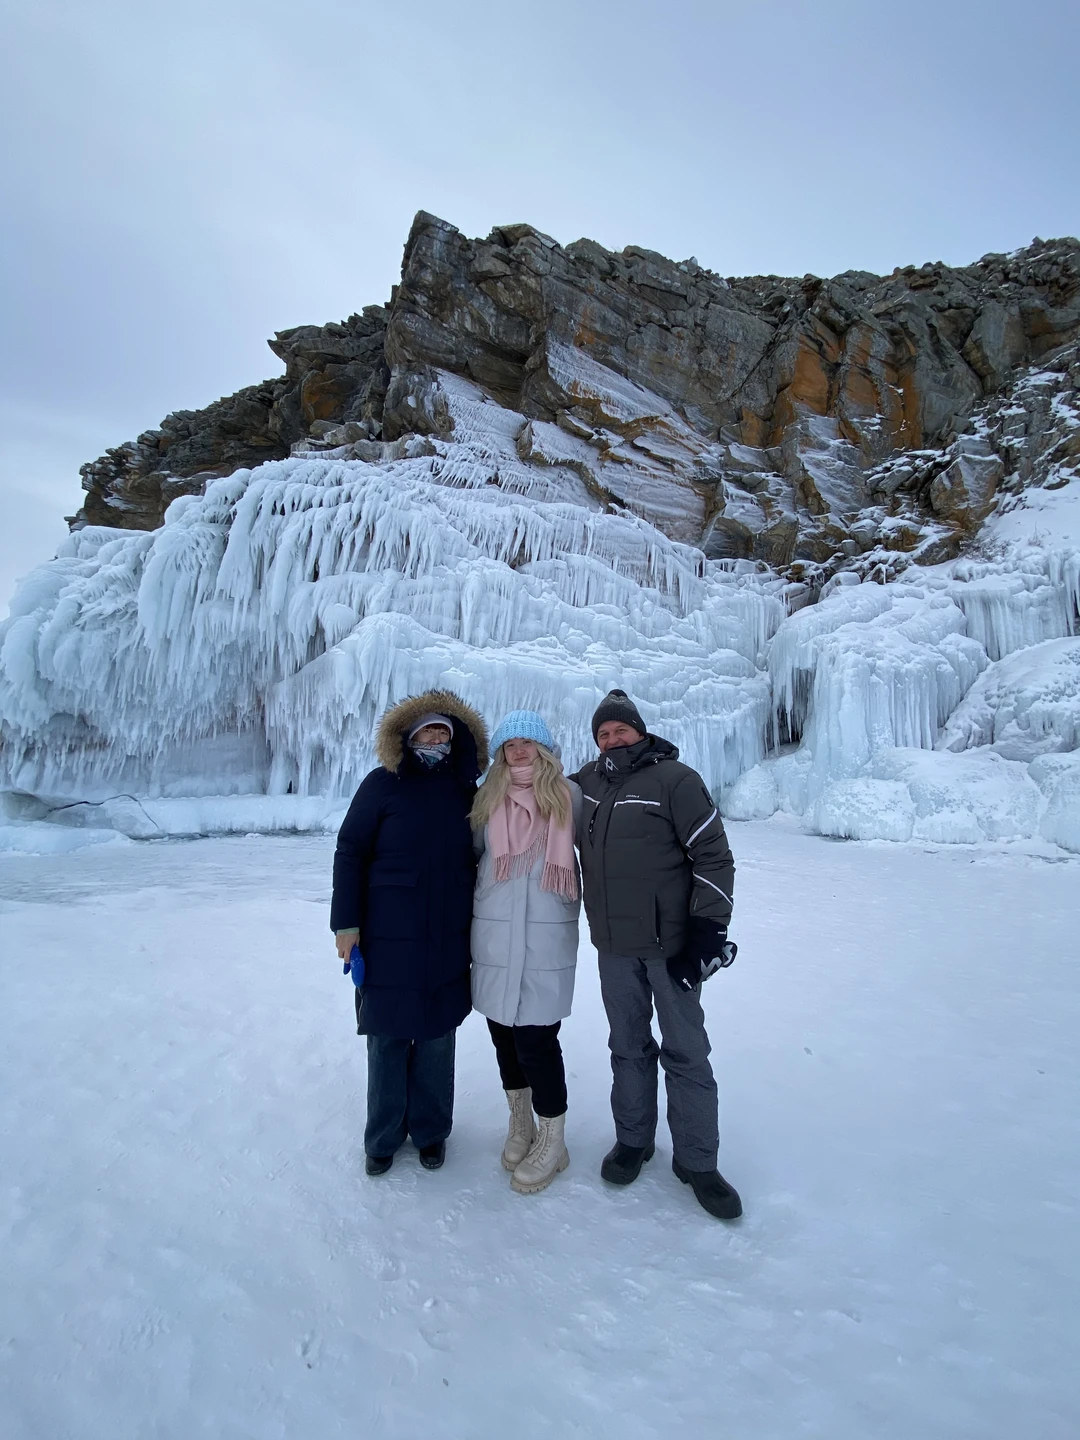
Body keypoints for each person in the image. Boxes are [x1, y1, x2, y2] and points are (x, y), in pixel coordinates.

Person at [571, 689, 743, 1220]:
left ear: (640, 731)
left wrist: (708, 933)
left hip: (671, 949)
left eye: (620, 730)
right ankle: (634, 1140)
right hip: (613, 946)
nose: (612, 738)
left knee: (686, 1051)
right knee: (627, 1046)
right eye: (603, 733)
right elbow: (530, 795)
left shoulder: (676, 780)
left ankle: (698, 1161)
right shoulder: (586, 784)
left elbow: (714, 855)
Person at [331, 690, 488, 1176]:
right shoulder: (382, 784)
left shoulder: (469, 791)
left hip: (448, 933)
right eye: (427, 731)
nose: (436, 738)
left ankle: (431, 1132)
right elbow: (350, 851)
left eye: (443, 731)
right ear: (409, 737)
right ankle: (382, 1137)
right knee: (388, 1036)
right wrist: (346, 923)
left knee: (438, 1037)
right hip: (387, 934)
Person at [469, 711, 582, 1194]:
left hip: (544, 934)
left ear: (545, 748)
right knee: (503, 1036)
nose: (519, 750)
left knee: (537, 1041)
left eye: (528, 742)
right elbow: (472, 856)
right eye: (510, 743)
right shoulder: (486, 797)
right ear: (500, 752)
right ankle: (522, 1125)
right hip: (494, 932)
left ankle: (553, 1140)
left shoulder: (570, 798)